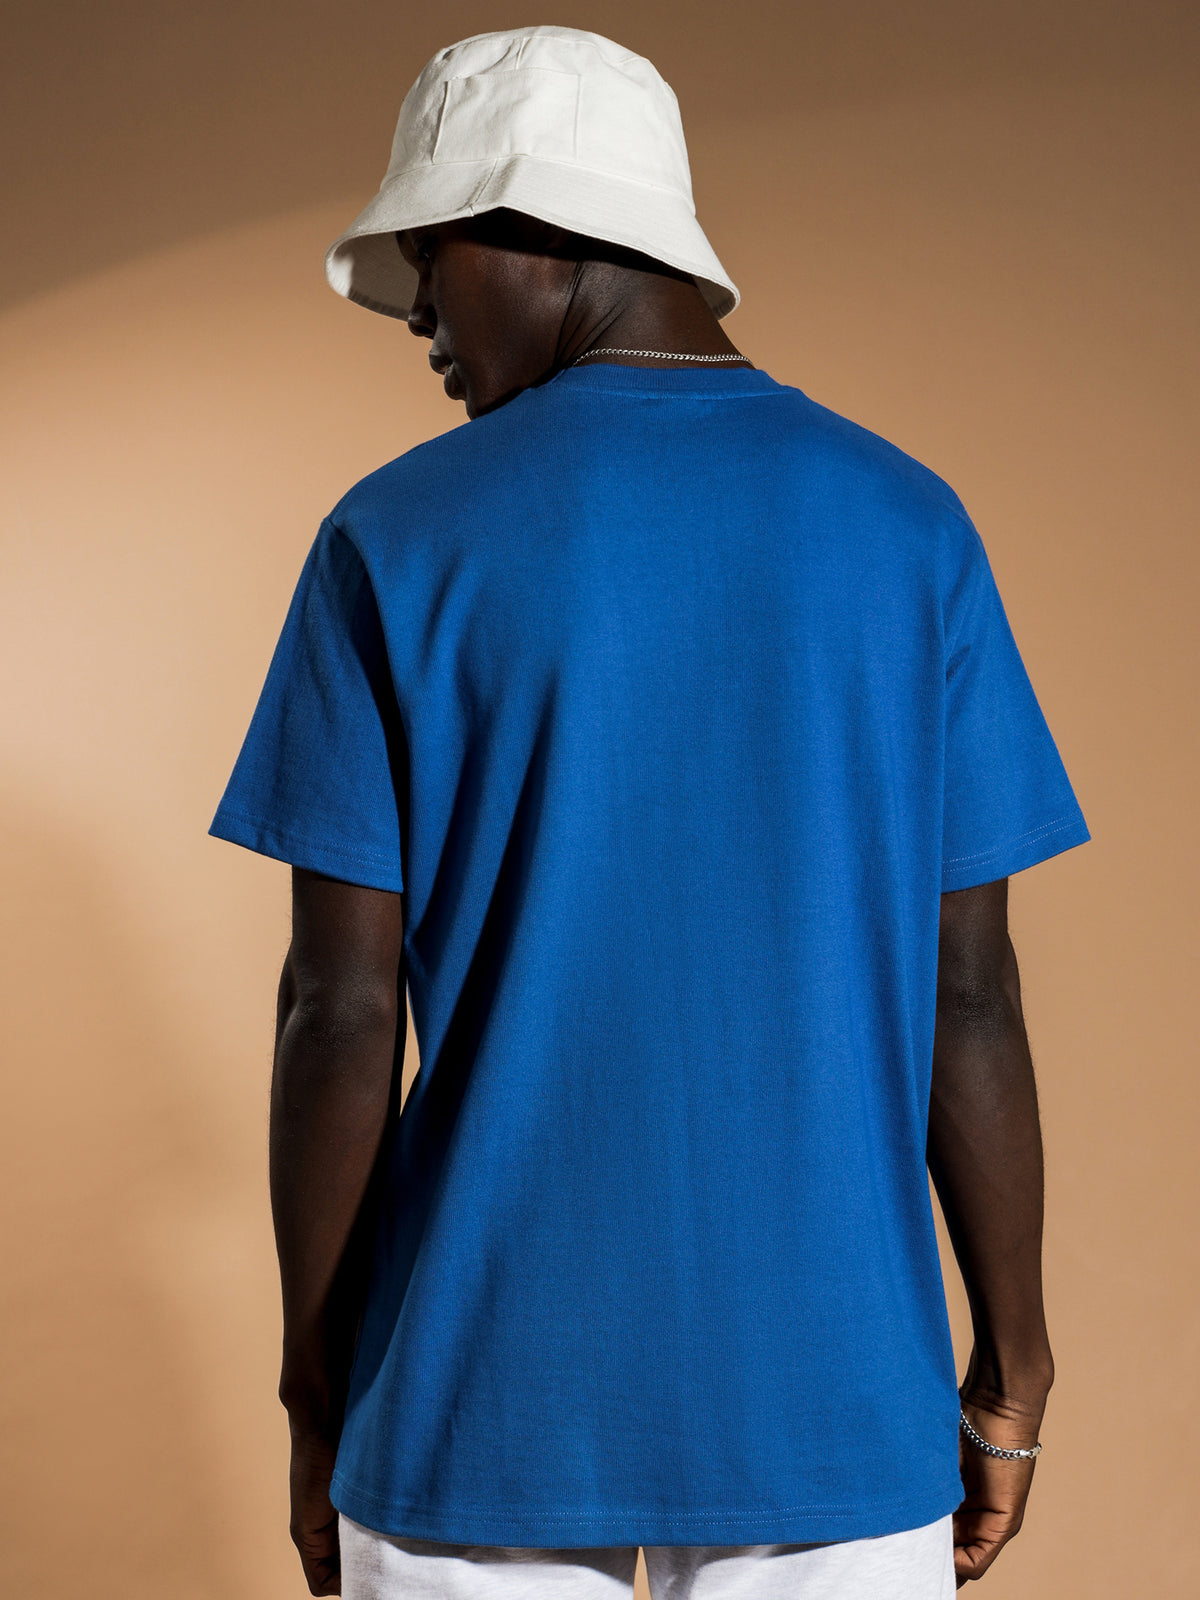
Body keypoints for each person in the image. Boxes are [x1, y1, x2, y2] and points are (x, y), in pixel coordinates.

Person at [207, 25, 1091, 1599]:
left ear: (534, 228)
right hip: (836, 1396)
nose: (418, 314)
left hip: (475, 1400)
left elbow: (337, 1014)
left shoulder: (393, 539)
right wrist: (1011, 1364)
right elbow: (971, 995)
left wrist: (314, 1387)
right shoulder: (910, 528)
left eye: (429, 259)